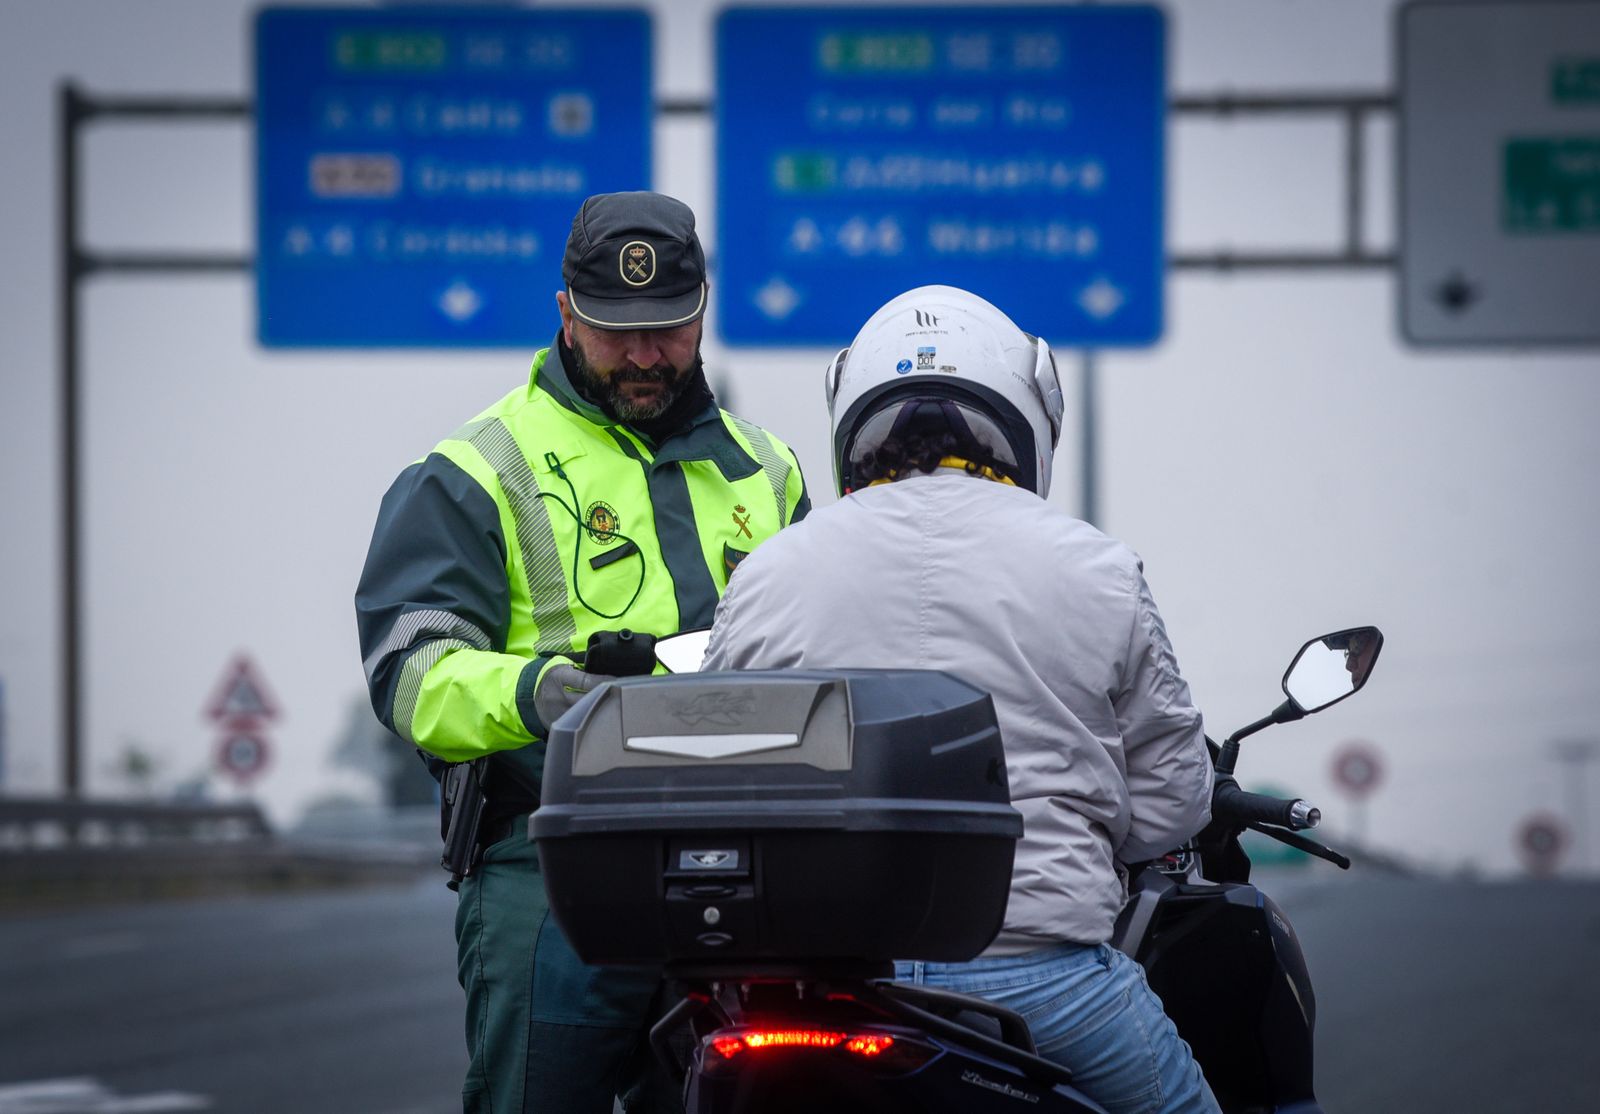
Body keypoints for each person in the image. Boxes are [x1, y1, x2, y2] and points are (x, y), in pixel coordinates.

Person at [701, 285, 1220, 1114]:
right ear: (1027, 411)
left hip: (815, 988)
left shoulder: (769, 573)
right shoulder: (1096, 568)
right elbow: (1171, 804)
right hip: (1040, 984)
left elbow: (716, 773)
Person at [356, 191, 810, 1114]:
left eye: (669, 329)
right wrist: (540, 693)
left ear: (703, 311)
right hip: (554, 859)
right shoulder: (477, 468)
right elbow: (410, 671)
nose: (644, 356)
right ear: (565, 312)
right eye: (615, 331)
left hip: (753, 855)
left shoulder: (772, 470)